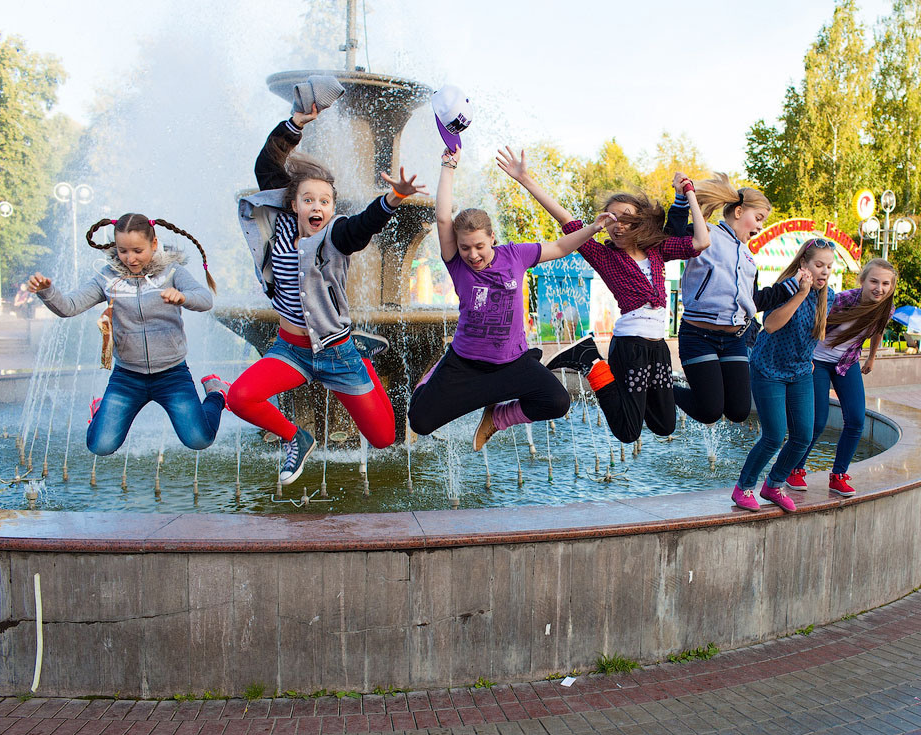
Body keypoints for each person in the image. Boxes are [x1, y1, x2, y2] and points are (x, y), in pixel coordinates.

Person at [229, 104, 424, 485]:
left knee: (384, 439)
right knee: (239, 398)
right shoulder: (282, 228)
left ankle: (363, 357)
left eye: (324, 201)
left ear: (332, 207)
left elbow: (361, 228)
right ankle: (297, 438)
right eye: (308, 199)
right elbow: (267, 168)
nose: (316, 206)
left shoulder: (334, 235)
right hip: (291, 350)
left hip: (337, 351)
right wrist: (295, 123)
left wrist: (393, 199)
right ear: (293, 205)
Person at [499, 148, 711, 444]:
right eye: (612, 219)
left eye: (626, 218)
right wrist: (526, 179)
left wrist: (689, 192)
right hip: (630, 346)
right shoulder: (603, 255)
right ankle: (588, 359)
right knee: (627, 432)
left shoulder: (657, 249)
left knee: (664, 425)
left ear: (640, 221)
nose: (619, 225)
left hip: (658, 348)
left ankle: (590, 360)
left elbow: (701, 240)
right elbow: (565, 221)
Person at [407, 147, 613, 449]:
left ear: (492, 237)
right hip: (466, 364)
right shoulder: (457, 265)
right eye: (465, 248)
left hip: (511, 363)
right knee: (420, 422)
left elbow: (560, 247)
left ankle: (497, 418)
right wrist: (448, 167)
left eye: (479, 245)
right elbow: (442, 219)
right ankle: (433, 379)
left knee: (557, 402)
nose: (473, 254)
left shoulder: (515, 255)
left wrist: (592, 228)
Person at [28, 213, 227, 456]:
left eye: (137, 250)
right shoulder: (107, 277)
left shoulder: (171, 273)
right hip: (127, 377)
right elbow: (69, 307)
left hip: (172, 375)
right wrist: (48, 292)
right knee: (100, 446)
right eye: (123, 251)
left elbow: (205, 300)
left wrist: (183, 297)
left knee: (199, 440)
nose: (130, 258)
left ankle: (216, 393)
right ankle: (101, 411)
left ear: (154, 244)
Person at [661, 173, 795, 425]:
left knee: (738, 411)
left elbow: (753, 301)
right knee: (709, 412)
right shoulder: (706, 233)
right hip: (699, 337)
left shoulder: (748, 258)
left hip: (733, 339)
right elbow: (673, 239)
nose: (759, 227)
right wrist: (681, 200)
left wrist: (793, 286)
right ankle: (657, 387)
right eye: (758, 218)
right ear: (738, 211)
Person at [731, 239, 835, 513]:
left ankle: (774, 484)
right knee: (775, 436)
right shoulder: (787, 289)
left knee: (803, 435)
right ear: (804, 264)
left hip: (800, 372)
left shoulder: (830, 296)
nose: (824, 272)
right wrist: (801, 293)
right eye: (818, 265)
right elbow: (770, 325)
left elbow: (812, 334)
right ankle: (743, 487)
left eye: (829, 267)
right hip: (769, 370)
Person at [785, 258, 897, 497]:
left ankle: (838, 475)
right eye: (874, 281)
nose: (880, 288)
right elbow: (812, 323)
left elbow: (877, 331)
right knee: (817, 421)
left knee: (856, 419)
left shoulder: (886, 308)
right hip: (817, 360)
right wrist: (803, 356)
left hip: (847, 362)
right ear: (863, 281)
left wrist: (871, 358)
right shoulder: (843, 299)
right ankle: (794, 469)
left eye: (886, 283)